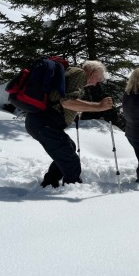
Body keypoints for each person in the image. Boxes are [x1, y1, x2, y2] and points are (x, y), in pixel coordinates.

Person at [25, 60, 113, 188]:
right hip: (44, 123)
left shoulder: (72, 72)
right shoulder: (80, 74)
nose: (95, 84)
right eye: (97, 80)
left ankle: (49, 183)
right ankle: (73, 188)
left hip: (41, 122)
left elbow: (61, 99)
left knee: (69, 148)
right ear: (92, 72)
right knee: (71, 161)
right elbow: (67, 102)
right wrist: (99, 106)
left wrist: (75, 109)